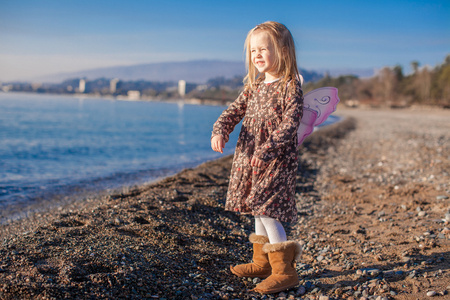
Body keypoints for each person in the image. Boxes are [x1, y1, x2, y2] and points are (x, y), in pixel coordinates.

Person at [211, 21, 303, 294]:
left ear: (284, 51)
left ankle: (284, 271)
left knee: (267, 209)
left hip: (275, 161)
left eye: (265, 48)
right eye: (253, 51)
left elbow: (290, 124)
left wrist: (268, 150)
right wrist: (220, 130)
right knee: (256, 208)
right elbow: (232, 111)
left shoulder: (290, 86)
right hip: (249, 158)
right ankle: (261, 261)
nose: (258, 55)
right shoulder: (254, 87)